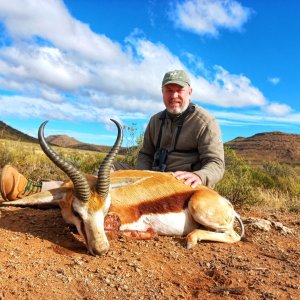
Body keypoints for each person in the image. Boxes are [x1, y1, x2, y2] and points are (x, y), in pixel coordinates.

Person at [0, 69, 224, 201]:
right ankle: (40, 189)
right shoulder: (156, 120)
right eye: (169, 90)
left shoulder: (205, 122)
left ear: (190, 92)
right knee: (106, 172)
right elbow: (146, 153)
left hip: (178, 184)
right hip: (151, 175)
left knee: (101, 195)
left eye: (179, 90)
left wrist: (201, 177)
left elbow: (216, 164)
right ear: (162, 92)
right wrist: (142, 173)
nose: (174, 95)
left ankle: (36, 190)